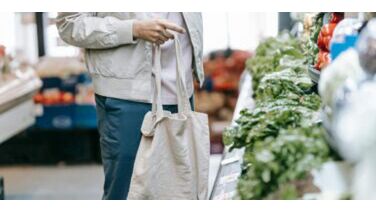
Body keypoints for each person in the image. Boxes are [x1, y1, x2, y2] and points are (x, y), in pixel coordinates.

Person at [56, 12, 204, 200]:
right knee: (125, 193)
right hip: (127, 97)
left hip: (181, 94)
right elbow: (69, 24)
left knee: (179, 191)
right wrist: (133, 29)